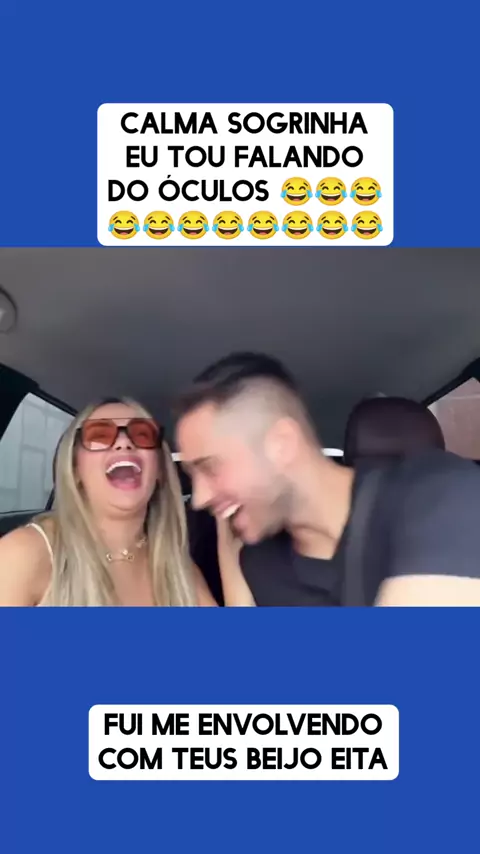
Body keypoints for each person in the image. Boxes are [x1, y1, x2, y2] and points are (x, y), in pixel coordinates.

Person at [174, 352, 480, 606]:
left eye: (210, 467)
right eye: (192, 475)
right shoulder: (261, 566)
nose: (198, 498)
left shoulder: (440, 497)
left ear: (281, 445)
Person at [0, 398, 216, 606]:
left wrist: (226, 531)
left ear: (160, 470)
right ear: (75, 470)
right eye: (100, 435)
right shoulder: (24, 553)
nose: (124, 442)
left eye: (142, 434)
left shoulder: (179, 569)